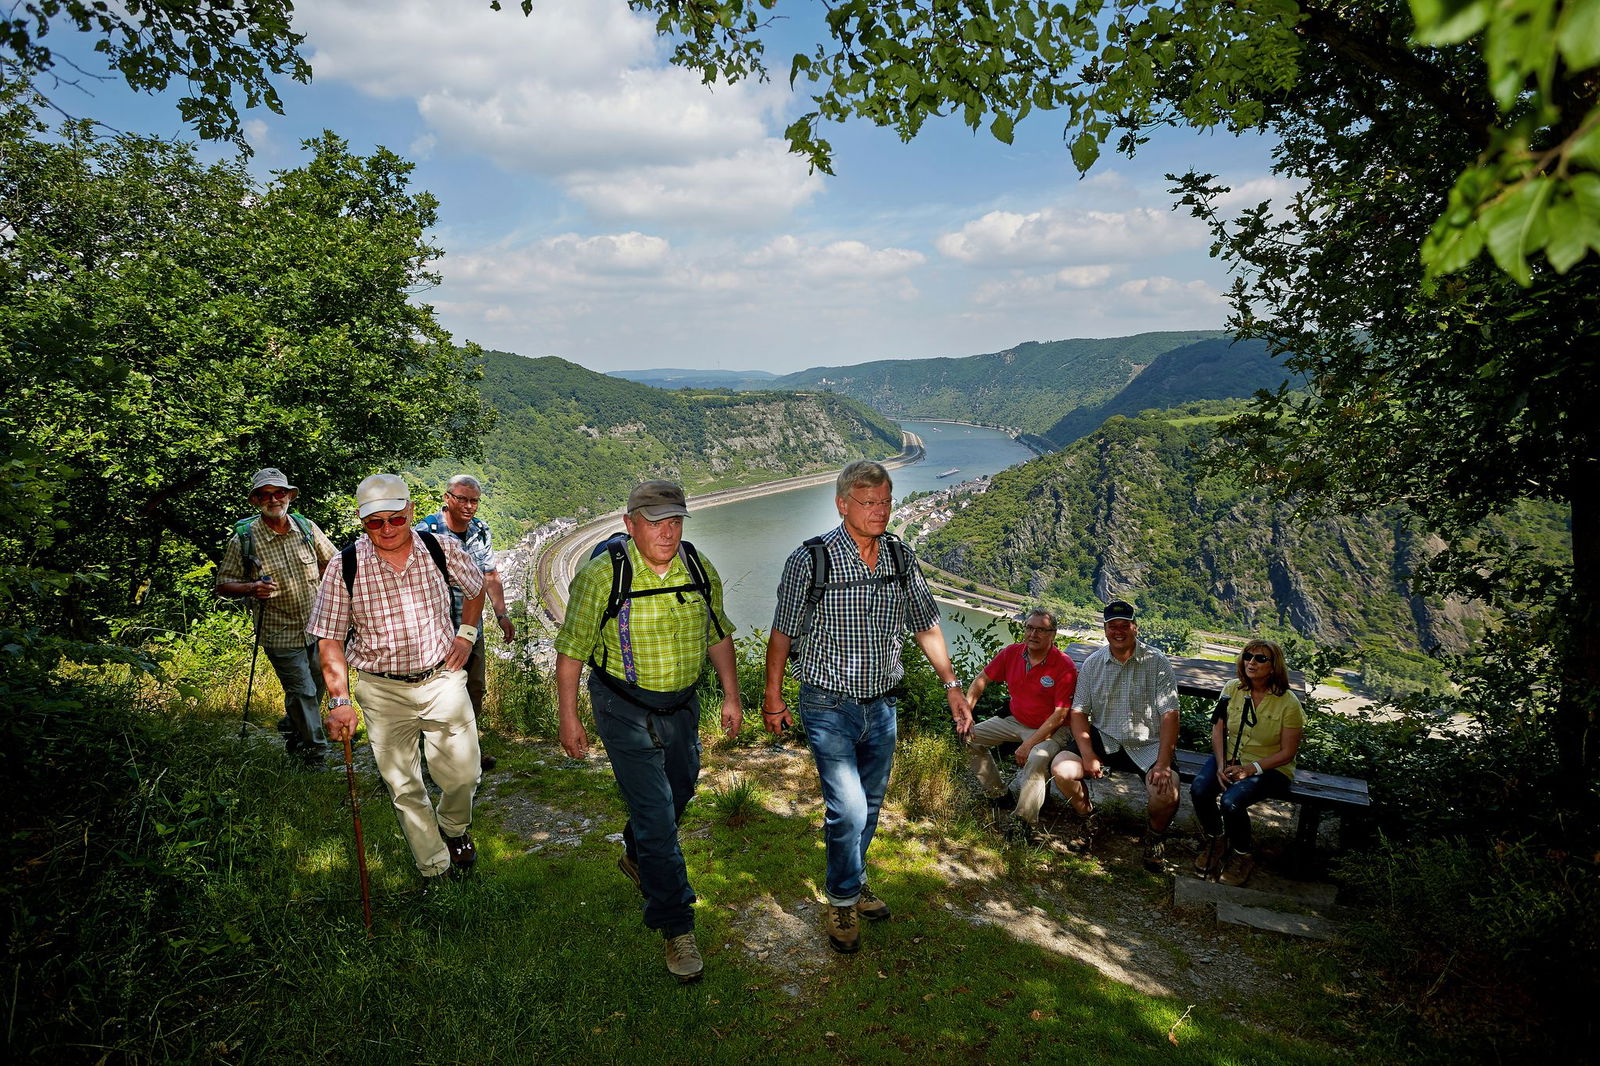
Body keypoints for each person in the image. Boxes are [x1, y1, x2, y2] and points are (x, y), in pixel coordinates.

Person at [764, 460, 973, 955]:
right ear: (842, 504)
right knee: (849, 808)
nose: (880, 511)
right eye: (868, 502)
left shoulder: (901, 558)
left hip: (881, 706)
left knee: (871, 806)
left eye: (885, 500)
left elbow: (925, 623)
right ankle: (841, 899)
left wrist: (952, 685)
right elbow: (782, 633)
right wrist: (773, 698)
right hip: (827, 702)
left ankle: (852, 882)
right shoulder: (810, 560)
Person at [554, 480, 742, 984]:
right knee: (657, 816)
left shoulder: (698, 568)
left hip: (682, 706)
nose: (668, 531)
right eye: (656, 522)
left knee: (679, 793)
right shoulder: (603, 575)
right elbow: (572, 650)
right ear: (630, 523)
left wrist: (730, 695)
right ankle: (677, 925)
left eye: (676, 520)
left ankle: (637, 854)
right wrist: (569, 716)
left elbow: (717, 633)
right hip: (623, 707)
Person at [309, 473, 487, 884]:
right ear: (362, 521)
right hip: (381, 689)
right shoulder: (344, 565)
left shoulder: (441, 547)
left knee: (464, 774)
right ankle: (435, 867)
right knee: (403, 786)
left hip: (442, 680)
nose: (387, 529)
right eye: (375, 522)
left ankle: (454, 827)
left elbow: (476, 589)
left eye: (395, 518)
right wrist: (339, 701)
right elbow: (329, 638)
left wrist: (466, 634)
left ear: (409, 511)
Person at [215, 468, 337, 764]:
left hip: (315, 626)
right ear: (256, 500)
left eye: (279, 492)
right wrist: (252, 587)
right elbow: (223, 585)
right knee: (304, 691)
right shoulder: (244, 540)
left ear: (289, 496)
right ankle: (315, 754)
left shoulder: (306, 528)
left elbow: (332, 562)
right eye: (265, 494)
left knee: (315, 688)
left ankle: (293, 728)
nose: (273, 499)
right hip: (278, 631)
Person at [1051, 600, 1181, 872]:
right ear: (1105, 629)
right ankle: (1088, 818)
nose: (1118, 631)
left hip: (1148, 743)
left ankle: (1155, 836)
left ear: (1135, 627)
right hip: (1104, 738)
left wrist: (1164, 763)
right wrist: (1087, 754)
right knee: (1062, 769)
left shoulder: (1156, 662)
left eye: (1125, 625)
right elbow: (1078, 713)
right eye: (1113, 626)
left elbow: (1170, 715)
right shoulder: (1093, 664)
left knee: (1166, 794)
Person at [416, 474, 516, 772]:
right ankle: (436, 753)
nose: (469, 506)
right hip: (436, 629)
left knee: (474, 688)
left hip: (471, 628)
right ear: (447, 498)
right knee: (438, 691)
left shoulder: (480, 530)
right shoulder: (426, 531)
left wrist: (501, 614)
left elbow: (490, 575)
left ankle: (468, 751)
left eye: (474, 500)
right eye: (462, 498)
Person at [1191, 640, 1305, 887]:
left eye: (1261, 659)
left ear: (1274, 667)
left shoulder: (1289, 703)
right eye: (1248, 656)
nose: (1252, 662)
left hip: (1271, 767)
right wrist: (1220, 765)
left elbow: (1288, 752)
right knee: (1199, 789)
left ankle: (1243, 854)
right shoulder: (1232, 689)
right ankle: (1216, 839)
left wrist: (1250, 769)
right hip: (1231, 758)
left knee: (1231, 802)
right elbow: (1218, 729)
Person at [964, 608, 1078, 842]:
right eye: (1029, 628)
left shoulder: (1064, 667)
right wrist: (966, 711)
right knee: (968, 737)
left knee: (1036, 758)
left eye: (1041, 630)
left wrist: (1029, 745)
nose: (1033, 634)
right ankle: (999, 794)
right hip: (1016, 719)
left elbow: (1059, 715)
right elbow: (981, 679)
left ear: (1052, 634)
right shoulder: (1012, 653)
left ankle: (1023, 822)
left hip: (1052, 729)